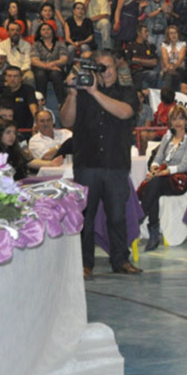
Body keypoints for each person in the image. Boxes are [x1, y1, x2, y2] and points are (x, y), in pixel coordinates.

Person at [60, 49, 142, 278]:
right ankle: (85, 264)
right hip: (87, 163)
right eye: (101, 67)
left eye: (109, 67)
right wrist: (73, 95)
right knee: (85, 217)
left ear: (116, 69)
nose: (105, 72)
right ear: (92, 70)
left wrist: (94, 92)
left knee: (117, 216)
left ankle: (120, 260)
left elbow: (125, 112)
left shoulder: (126, 92)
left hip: (116, 164)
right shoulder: (81, 93)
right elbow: (66, 120)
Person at [140, 104, 187, 251]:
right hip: (161, 178)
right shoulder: (167, 137)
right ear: (170, 122)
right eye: (174, 119)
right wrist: (154, 168)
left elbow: (183, 166)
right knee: (155, 185)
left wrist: (162, 172)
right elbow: (158, 157)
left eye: (181, 118)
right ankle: (153, 228)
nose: (178, 122)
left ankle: (141, 216)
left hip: (178, 181)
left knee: (154, 183)